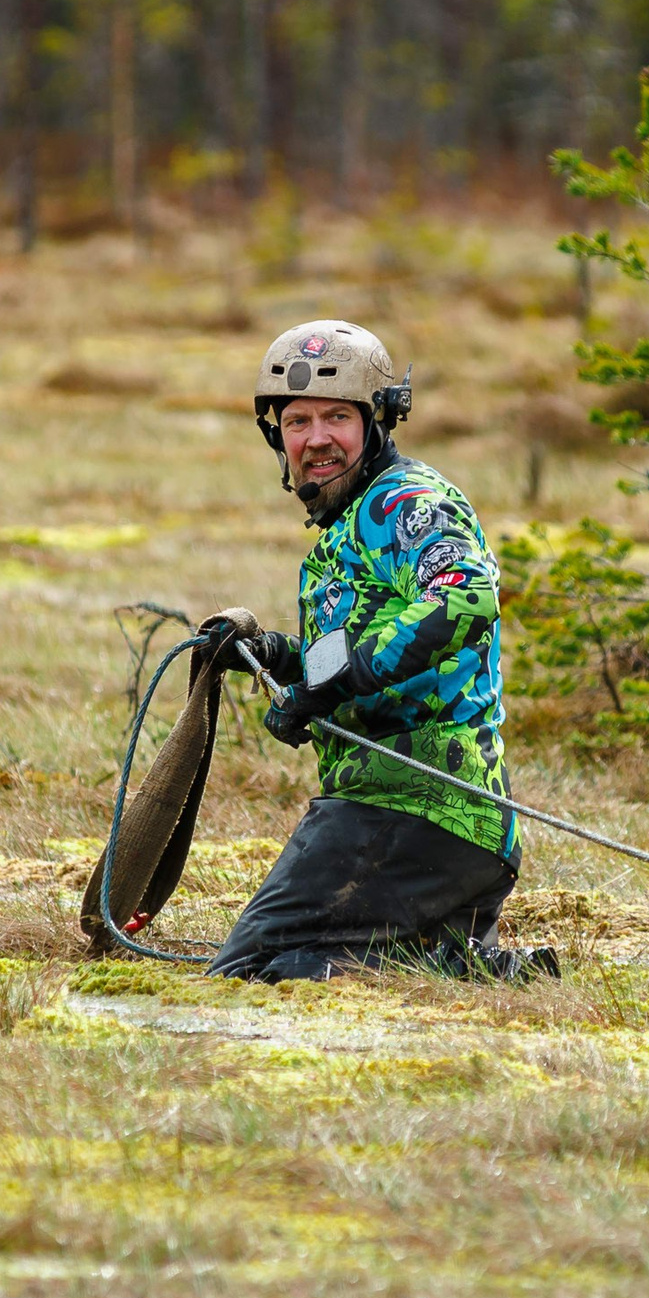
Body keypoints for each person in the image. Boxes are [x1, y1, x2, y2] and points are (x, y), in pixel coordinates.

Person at [202, 320, 554, 984]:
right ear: (277, 435)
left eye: (337, 416)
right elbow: (355, 645)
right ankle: (463, 966)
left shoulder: (406, 502)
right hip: (433, 826)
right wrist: (274, 654)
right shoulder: (346, 528)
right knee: (301, 964)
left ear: (379, 421)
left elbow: (466, 595)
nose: (317, 438)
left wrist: (336, 684)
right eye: (298, 420)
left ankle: (448, 963)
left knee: (246, 973)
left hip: (418, 810)